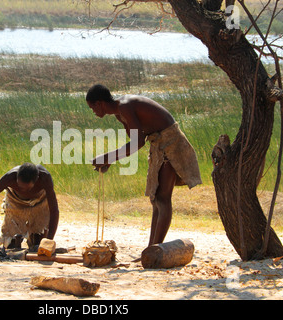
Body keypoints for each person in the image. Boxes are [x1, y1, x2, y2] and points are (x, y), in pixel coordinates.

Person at [86, 84, 202, 246]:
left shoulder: (125, 107)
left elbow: (138, 142)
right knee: (156, 200)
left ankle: (156, 248)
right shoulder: (120, 115)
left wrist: (108, 157)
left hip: (171, 141)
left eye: (92, 108)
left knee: (163, 199)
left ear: (99, 103)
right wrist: (109, 161)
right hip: (158, 145)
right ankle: (152, 248)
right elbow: (136, 141)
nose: (93, 112)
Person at [0, 162, 59, 250]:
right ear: (16, 177)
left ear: (36, 180)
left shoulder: (45, 178)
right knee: (11, 246)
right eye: (20, 187)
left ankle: (34, 238)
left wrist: (49, 241)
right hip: (15, 200)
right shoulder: (10, 177)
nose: (24, 191)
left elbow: (54, 210)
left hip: (39, 201)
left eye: (27, 188)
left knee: (38, 244)